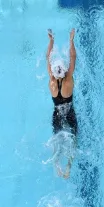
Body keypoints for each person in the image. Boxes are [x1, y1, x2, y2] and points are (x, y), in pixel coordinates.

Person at [46, 28, 78, 179]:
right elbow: (73, 56)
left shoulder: (52, 82)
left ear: (53, 71)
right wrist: (71, 40)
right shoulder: (69, 80)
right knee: (74, 139)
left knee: (57, 138)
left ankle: (56, 165)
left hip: (57, 114)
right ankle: (68, 168)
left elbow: (47, 57)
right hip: (69, 112)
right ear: (65, 71)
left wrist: (51, 41)